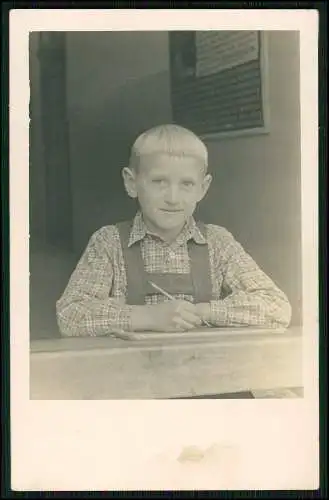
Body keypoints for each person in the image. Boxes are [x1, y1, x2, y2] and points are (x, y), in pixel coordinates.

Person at [56, 124, 292, 337]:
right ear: (131, 183)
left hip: (208, 377)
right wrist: (147, 317)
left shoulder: (218, 243)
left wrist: (202, 312)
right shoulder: (108, 242)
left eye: (187, 184)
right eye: (159, 182)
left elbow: (276, 307)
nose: (173, 198)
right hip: (131, 377)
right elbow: (70, 314)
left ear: (203, 188)